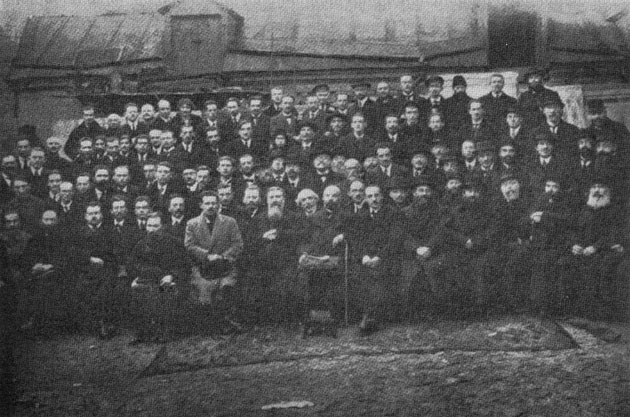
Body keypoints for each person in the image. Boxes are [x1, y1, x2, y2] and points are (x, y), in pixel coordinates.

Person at [560, 180, 624, 319]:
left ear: (607, 191)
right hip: (581, 249)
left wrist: (595, 247)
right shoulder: (583, 209)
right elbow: (572, 230)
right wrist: (573, 244)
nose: (596, 190)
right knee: (564, 263)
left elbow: (612, 235)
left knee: (595, 268)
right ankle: (569, 309)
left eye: (600, 187)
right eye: (594, 187)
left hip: (603, 250)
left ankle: (593, 313)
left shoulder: (613, 211)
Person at [185, 191, 244, 332]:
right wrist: (207, 256)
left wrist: (223, 256)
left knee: (226, 288)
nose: (211, 206)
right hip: (202, 267)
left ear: (218, 205)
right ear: (201, 205)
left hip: (225, 267)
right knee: (204, 293)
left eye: (213, 203)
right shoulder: (192, 224)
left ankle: (228, 323)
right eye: (207, 203)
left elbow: (237, 244)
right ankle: (209, 325)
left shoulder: (230, 222)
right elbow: (189, 246)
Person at [129, 213, 191, 342]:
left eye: (155, 226)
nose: (152, 229)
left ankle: (164, 331)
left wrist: (171, 275)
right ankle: (143, 332)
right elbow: (134, 265)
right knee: (141, 290)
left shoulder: (174, 243)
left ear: (162, 227)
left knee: (165, 291)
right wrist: (142, 275)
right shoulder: (140, 244)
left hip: (168, 280)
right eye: (149, 226)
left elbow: (184, 265)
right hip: (148, 279)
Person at [351, 184, 403, 334]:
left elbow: (395, 239)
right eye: (370, 196)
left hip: (387, 257)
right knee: (357, 274)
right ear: (366, 199)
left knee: (378, 275)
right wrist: (364, 256)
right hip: (367, 258)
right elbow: (357, 240)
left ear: (382, 196)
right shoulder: (361, 215)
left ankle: (370, 317)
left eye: (376, 195)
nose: (374, 199)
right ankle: (368, 315)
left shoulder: (393, 214)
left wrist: (379, 257)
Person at [299, 185, 348, 336]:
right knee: (307, 278)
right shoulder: (314, 218)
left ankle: (334, 318)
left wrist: (344, 236)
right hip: (317, 259)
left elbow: (357, 234)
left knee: (333, 280)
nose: (330, 199)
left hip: (339, 258)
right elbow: (305, 240)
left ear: (340, 198)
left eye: (334, 196)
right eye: (327, 196)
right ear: (323, 198)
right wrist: (304, 253)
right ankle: (311, 320)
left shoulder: (347, 216)